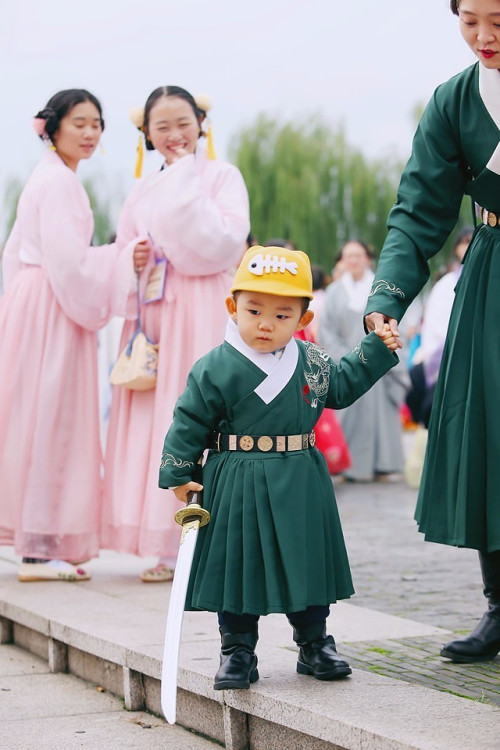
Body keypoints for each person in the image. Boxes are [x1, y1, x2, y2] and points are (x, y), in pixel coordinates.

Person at [159, 245, 399, 689]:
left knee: (305, 561)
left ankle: (314, 643)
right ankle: (237, 651)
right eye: (254, 310)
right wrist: (179, 471)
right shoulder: (214, 367)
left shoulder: (310, 361)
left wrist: (376, 349)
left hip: (300, 476)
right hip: (235, 477)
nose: (266, 324)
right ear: (233, 307)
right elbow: (189, 419)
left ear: (303, 320)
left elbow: (343, 386)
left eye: (283, 315)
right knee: (237, 566)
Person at [364, 0, 500, 663]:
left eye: (499, 18)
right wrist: (388, 291)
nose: (483, 36)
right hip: (493, 281)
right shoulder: (455, 101)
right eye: (469, 19)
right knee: (490, 435)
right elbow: (420, 207)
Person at [102, 85, 250, 582]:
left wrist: (185, 176)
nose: (173, 135)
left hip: (203, 305)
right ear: (146, 133)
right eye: (160, 126)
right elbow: (124, 243)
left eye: (182, 122)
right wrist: (132, 259)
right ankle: (167, 544)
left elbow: (224, 241)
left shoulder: (221, 176)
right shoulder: (141, 188)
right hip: (156, 309)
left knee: (202, 410)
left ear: (200, 123)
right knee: (158, 418)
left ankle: (216, 533)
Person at [0, 89, 136, 582]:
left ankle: (40, 540)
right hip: (54, 303)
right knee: (51, 418)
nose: (90, 132)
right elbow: (70, 263)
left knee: (36, 416)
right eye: (79, 122)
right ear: (52, 128)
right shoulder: (60, 183)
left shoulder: (49, 178)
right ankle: (39, 547)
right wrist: (120, 255)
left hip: (35, 299)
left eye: (97, 123)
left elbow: (17, 254)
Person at [318, 240, 407, 481]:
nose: (354, 260)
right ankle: (347, 467)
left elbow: (397, 321)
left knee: (380, 418)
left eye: (358, 255)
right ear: (342, 260)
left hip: (378, 364)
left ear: (368, 258)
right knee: (346, 411)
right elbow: (326, 331)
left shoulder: (381, 289)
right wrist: (348, 358)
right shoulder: (335, 291)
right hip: (346, 361)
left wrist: (378, 352)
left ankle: (382, 465)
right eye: (349, 256)